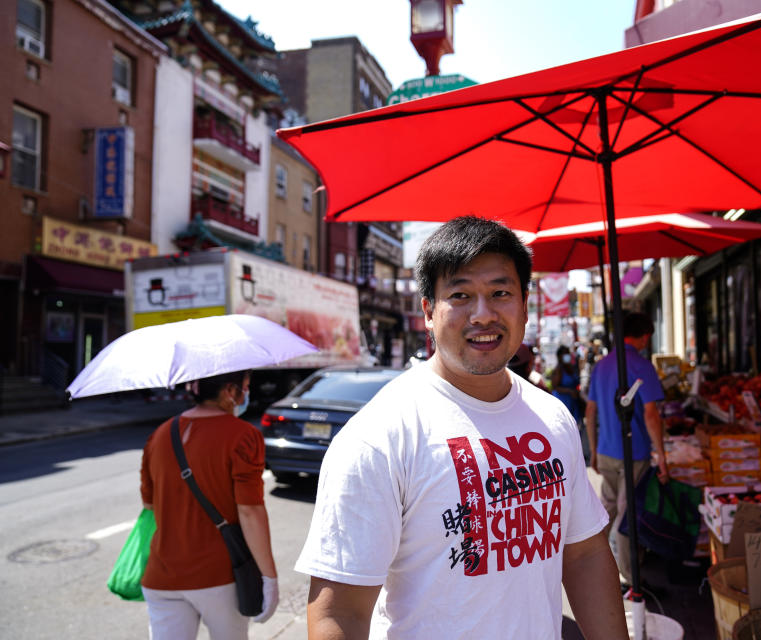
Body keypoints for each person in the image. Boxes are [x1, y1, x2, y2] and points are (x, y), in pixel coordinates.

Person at [296, 216, 628, 639]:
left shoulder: (553, 416)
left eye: (500, 293)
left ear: (524, 303)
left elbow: (584, 555)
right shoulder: (379, 436)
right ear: (429, 312)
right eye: (461, 295)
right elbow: (339, 611)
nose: (483, 314)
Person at [140, 371, 279, 640]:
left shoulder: (159, 434)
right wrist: (268, 577)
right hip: (219, 577)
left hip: (162, 576)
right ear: (230, 391)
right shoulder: (244, 436)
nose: (246, 394)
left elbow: (149, 503)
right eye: (245, 388)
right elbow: (249, 511)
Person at [584, 312, 669, 582]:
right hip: (634, 452)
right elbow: (651, 414)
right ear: (644, 336)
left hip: (607, 451)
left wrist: (594, 451)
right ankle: (631, 578)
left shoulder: (602, 365)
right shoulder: (642, 366)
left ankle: (587, 562)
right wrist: (662, 456)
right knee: (626, 514)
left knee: (607, 509)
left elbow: (590, 411)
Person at [551, 344, 583, 424]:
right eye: (565, 353)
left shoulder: (571, 367)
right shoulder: (558, 369)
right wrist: (569, 391)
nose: (567, 355)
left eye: (568, 353)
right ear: (559, 356)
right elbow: (555, 387)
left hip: (573, 403)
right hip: (564, 403)